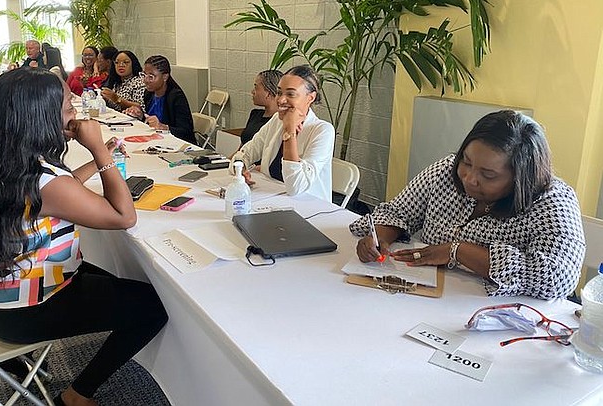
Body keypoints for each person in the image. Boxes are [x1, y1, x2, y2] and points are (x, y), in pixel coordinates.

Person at [0, 68, 168, 406]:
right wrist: (100, 152)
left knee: (120, 284)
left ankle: (24, 365)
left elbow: (61, 185)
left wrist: (96, 161)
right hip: (25, 309)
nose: (76, 111)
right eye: (69, 106)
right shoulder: (45, 183)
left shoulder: (6, 158)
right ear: (42, 115)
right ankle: (76, 394)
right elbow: (123, 216)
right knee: (151, 307)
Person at [351, 110, 585, 300]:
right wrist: (379, 237)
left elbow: (557, 278)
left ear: (521, 178)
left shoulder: (552, 201)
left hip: (497, 317)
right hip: (427, 299)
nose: (469, 178)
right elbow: (399, 211)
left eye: (488, 175)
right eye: (467, 161)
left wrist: (457, 251)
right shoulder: (446, 170)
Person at [231, 65, 335, 202]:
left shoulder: (322, 131)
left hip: (308, 210)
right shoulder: (276, 121)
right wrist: (240, 170)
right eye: (279, 93)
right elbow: (245, 154)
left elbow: (295, 187)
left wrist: (289, 132)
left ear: (310, 98)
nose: (280, 100)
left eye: (290, 94)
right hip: (271, 201)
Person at [124, 55, 196, 144]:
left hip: (177, 144)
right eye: (144, 75)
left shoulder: (176, 97)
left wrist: (164, 127)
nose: (145, 80)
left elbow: (186, 131)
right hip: (157, 141)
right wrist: (141, 116)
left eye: (151, 77)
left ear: (165, 77)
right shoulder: (148, 93)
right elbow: (152, 121)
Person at [240, 69, 283, 145]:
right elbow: (242, 148)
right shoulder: (255, 114)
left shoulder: (279, 122)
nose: (252, 92)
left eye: (256, 88)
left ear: (268, 93)